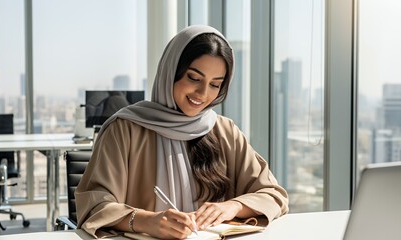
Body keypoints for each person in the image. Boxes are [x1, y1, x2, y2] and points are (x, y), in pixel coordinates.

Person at [75, 25, 289, 239]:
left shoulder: (225, 131)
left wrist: (233, 206)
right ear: (171, 72)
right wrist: (147, 221)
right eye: (194, 78)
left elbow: (273, 195)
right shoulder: (124, 129)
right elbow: (95, 206)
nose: (203, 94)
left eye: (215, 84)